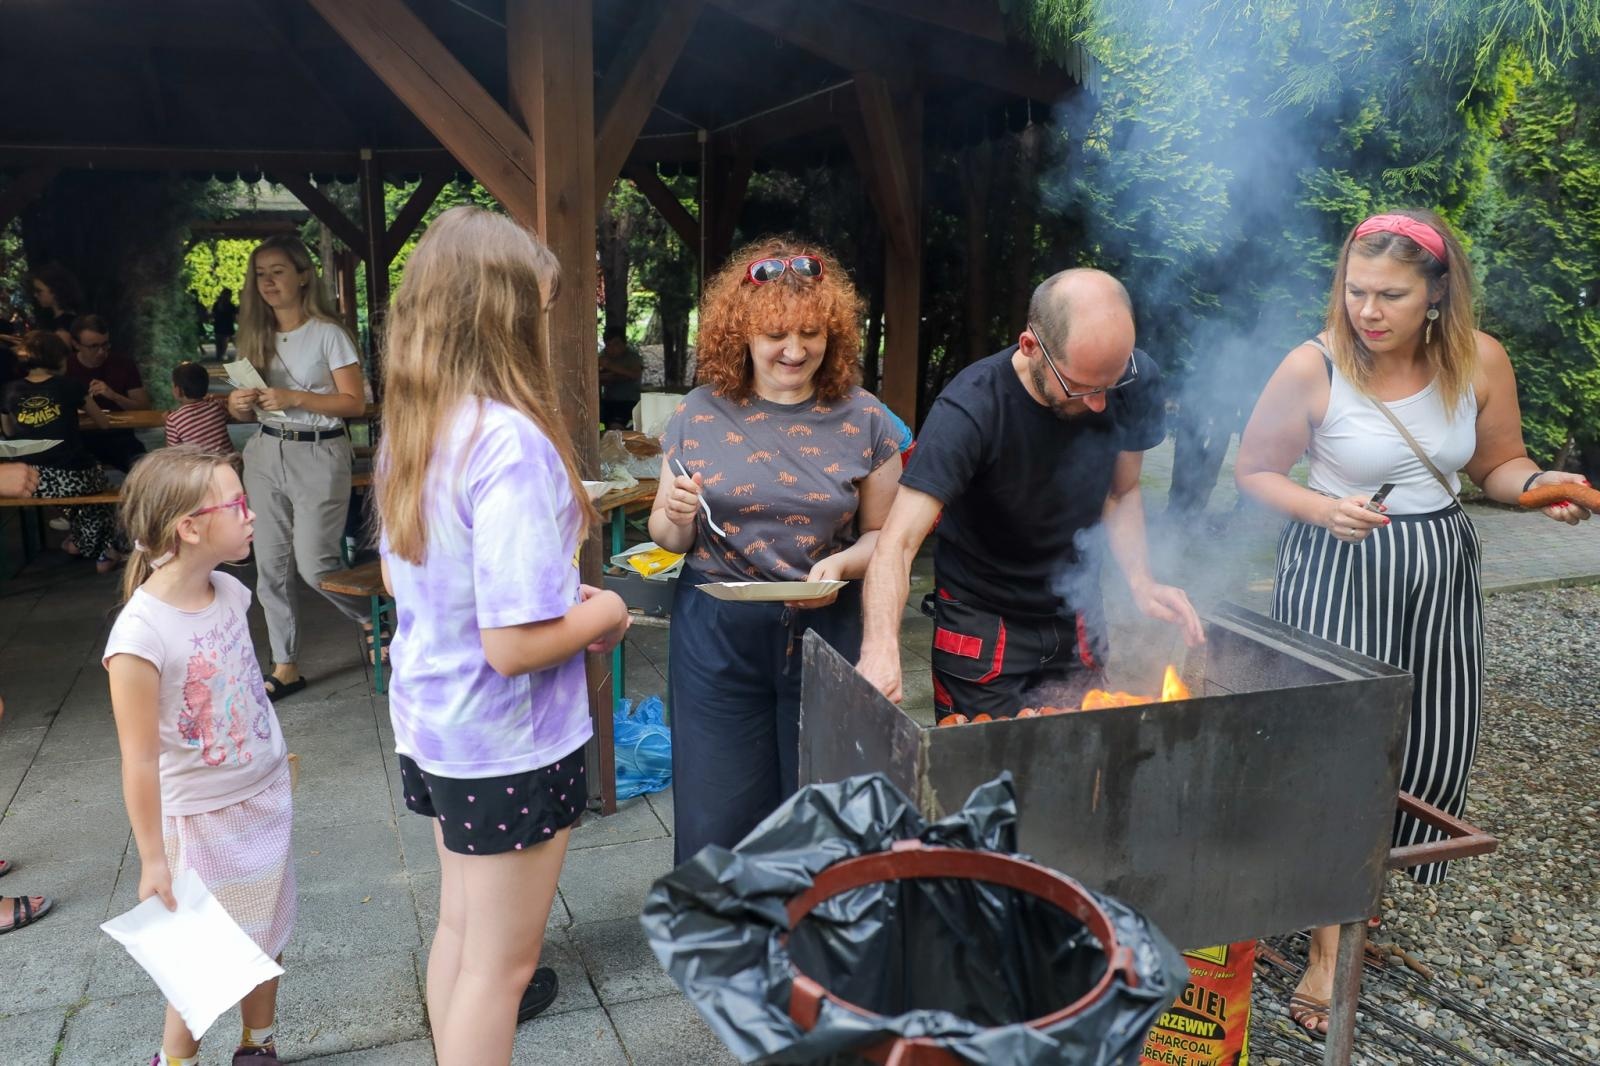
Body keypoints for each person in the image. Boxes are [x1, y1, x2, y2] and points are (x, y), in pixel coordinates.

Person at [1234, 209, 1590, 1039]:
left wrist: (1541, 487)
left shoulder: (1479, 359)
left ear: (1436, 293)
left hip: (1440, 568)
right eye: (1356, 290)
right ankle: (1327, 953)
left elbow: (1496, 464)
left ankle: (1356, 899)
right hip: (1340, 564)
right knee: (1338, 748)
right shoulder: (1313, 365)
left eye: (1389, 295)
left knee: (1423, 743)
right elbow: (1255, 470)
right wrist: (1323, 508)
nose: (1367, 310)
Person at [376, 207, 627, 1065]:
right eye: (541, 309)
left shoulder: (417, 425)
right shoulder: (508, 441)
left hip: (438, 727)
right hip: (507, 741)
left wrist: (557, 599)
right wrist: (605, 613)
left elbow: (405, 579)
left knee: (460, 933)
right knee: (503, 969)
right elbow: (514, 646)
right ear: (505, 315)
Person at [649, 236, 903, 862]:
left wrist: (841, 564)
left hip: (826, 627)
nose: (795, 350)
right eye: (775, 335)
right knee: (716, 811)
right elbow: (669, 536)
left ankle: (815, 922)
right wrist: (674, 516)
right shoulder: (696, 413)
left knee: (825, 805)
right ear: (741, 333)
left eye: (811, 333)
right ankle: (724, 922)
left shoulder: (867, 418)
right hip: (715, 630)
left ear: (832, 334)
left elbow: (886, 537)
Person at [857, 269, 1204, 717]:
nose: (1100, 403)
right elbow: (898, 543)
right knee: (980, 756)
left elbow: (1122, 492)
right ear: (1030, 347)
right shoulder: (971, 409)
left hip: (1076, 612)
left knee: (1080, 751)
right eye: (1082, 387)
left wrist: (1140, 580)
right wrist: (881, 646)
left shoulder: (1135, 379)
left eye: (1111, 382)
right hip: (983, 624)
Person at [104, 447, 294, 1066]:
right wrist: (152, 859)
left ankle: (258, 1044)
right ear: (189, 527)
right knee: (203, 959)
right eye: (237, 504)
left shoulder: (230, 592)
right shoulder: (140, 636)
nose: (251, 514)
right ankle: (175, 1060)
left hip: (263, 798)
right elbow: (138, 760)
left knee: (268, 930)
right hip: (201, 821)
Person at [225, 237, 370, 701]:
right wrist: (237, 405)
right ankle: (285, 666)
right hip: (266, 451)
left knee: (315, 565)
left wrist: (295, 397)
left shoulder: (329, 333)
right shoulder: (253, 335)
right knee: (270, 568)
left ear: (303, 276)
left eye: (278, 271)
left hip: (319, 452)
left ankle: (375, 615)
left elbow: (355, 403)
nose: (268, 282)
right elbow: (244, 411)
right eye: (260, 274)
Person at [0, 331, 121, 573]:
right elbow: (104, 423)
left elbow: (8, 431)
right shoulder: (71, 386)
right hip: (72, 475)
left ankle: (80, 541)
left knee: (82, 497)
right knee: (101, 486)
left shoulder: (10, 390)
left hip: (30, 480)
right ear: (58, 359)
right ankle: (103, 552)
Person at [67, 314, 151, 473]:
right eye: (93, 346)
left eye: (105, 345)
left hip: (118, 436)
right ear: (76, 344)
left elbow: (143, 408)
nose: (101, 352)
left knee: (144, 468)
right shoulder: (66, 367)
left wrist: (115, 396)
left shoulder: (123, 364)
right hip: (79, 438)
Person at [166, 361, 235, 455]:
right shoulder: (217, 406)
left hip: (202, 464)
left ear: (178, 391)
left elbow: (173, 453)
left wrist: (167, 424)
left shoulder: (173, 420)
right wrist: (214, 396)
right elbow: (230, 400)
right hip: (230, 462)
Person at [597, 327, 644, 428]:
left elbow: (635, 374)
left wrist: (610, 366)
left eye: (616, 344)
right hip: (608, 402)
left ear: (624, 343)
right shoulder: (603, 356)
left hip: (629, 402)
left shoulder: (632, 357)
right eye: (608, 345)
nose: (612, 349)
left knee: (616, 426)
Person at [28, 264, 85, 345]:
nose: (35, 295)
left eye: (39, 291)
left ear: (55, 291)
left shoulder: (64, 328)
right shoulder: (51, 319)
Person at [212, 288, 237, 363]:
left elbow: (214, 314)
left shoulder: (218, 304)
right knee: (223, 340)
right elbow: (234, 316)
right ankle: (221, 354)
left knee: (221, 340)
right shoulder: (229, 305)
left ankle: (220, 355)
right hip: (225, 324)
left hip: (221, 324)